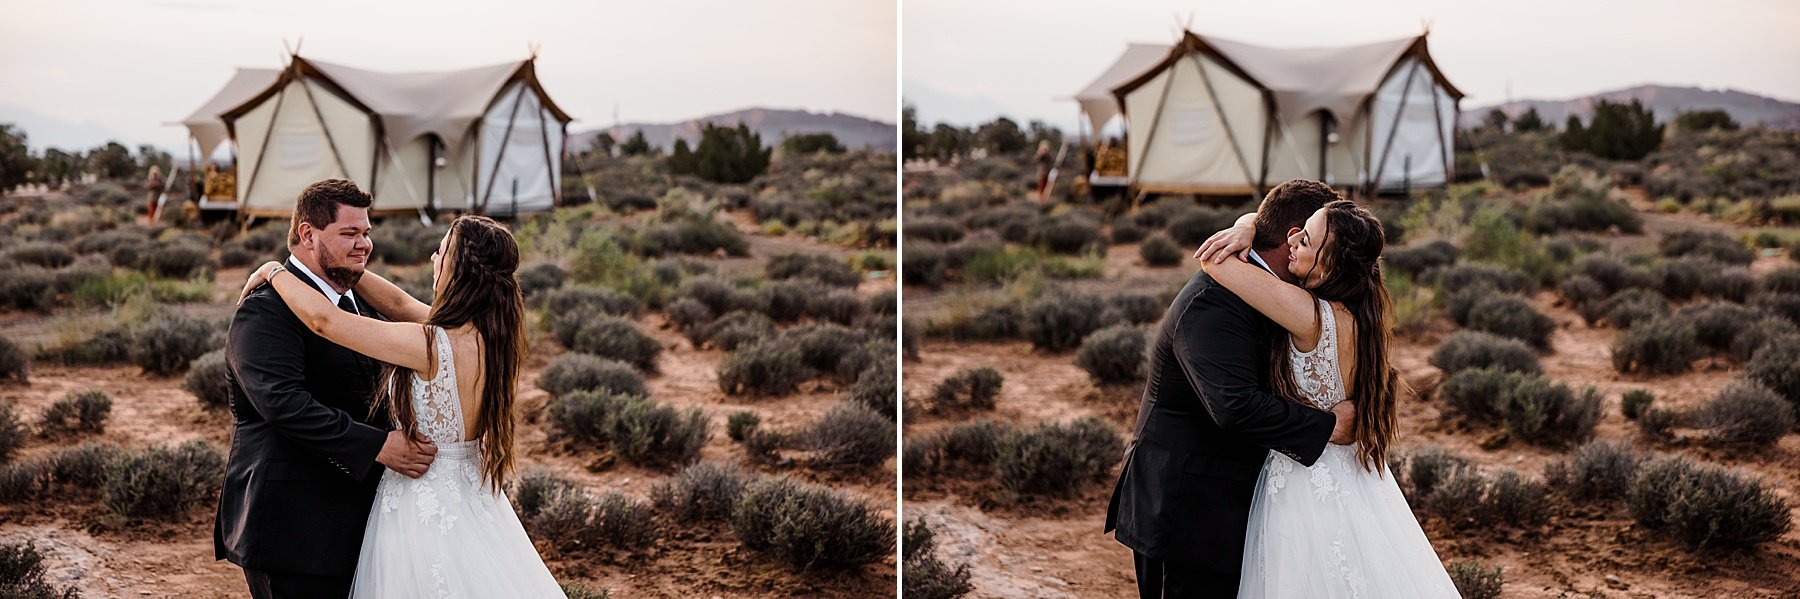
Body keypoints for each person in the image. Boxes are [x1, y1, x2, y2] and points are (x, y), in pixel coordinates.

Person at [238, 200, 564, 597]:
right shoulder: (491, 338)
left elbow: (326, 321)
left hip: (420, 495)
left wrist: (274, 271)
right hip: (468, 495)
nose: (433, 256)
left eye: (441, 251)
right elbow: (398, 305)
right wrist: (348, 268)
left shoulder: (429, 344)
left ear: (458, 268)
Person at [1194, 186, 1459, 597]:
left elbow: (1214, 263)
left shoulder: (1310, 314)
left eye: (1307, 240)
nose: (1292, 240)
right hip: (1353, 473)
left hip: (1306, 480)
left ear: (1331, 262)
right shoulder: (1361, 314)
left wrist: (1245, 227)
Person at [1105, 180, 1356, 598]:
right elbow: (1234, 405)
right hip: (1188, 510)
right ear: (1295, 239)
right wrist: (1328, 426)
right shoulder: (1214, 300)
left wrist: (1247, 223)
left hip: (1239, 505)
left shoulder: (1282, 292)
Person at [216, 178, 440, 598]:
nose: (364, 244)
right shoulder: (264, 310)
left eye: (366, 233)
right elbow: (284, 404)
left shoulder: (361, 302)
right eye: (350, 234)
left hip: (359, 523)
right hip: (292, 529)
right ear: (307, 234)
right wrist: (378, 445)